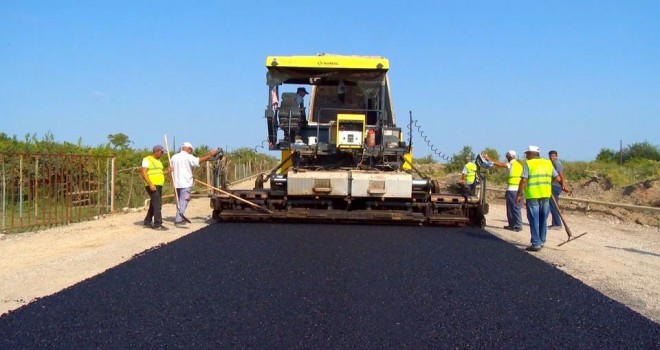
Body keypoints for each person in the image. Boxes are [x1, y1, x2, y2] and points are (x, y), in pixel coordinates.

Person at [515, 145, 561, 252]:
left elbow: (523, 180)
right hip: (545, 195)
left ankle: (536, 243)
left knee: (534, 219)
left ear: (532, 154)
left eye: (527, 154)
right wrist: (546, 182)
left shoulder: (529, 163)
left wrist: (518, 195)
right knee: (543, 219)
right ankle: (541, 240)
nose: (526, 156)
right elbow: (557, 178)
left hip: (533, 195)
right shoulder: (547, 163)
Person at [170, 142, 218, 225]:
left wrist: (207, 156)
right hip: (185, 183)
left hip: (176, 183)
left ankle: (179, 216)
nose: (191, 152)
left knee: (179, 202)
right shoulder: (188, 157)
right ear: (189, 149)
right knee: (184, 201)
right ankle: (178, 219)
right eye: (191, 151)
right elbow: (198, 160)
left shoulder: (174, 157)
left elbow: (172, 168)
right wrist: (210, 154)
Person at [490, 150, 523, 232]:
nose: (506, 157)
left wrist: (489, 160)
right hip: (518, 189)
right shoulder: (519, 165)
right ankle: (513, 225)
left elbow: (500, 165)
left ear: (510, 156)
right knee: (514, 208)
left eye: (507, 155)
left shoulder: (512, 164)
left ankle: (516, 225)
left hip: (513, 189)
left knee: (513, 208)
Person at [141, 145, 172, 230]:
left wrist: (167, 171)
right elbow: (143, 172)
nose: (162, 154)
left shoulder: (158, 161)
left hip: (158, 185)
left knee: (154, 203)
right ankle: (158, 224)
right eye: (162, 152)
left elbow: (160, 172)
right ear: (157, 151)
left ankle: (147, 221)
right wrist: (150, 184)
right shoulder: (147, 159)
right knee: (157, 204)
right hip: (152, 185)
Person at [548, 150, 570, 230]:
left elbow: (560, 175)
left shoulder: (556, 163)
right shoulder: (552, 163)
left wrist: (563, 185)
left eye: (553, 156)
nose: (551, 157)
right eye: (550, 156)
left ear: (556, 156)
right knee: (552, 204)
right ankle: (555, 223)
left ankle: (557, 224)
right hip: (554, 185)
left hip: (555, 186)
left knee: (553, 205)